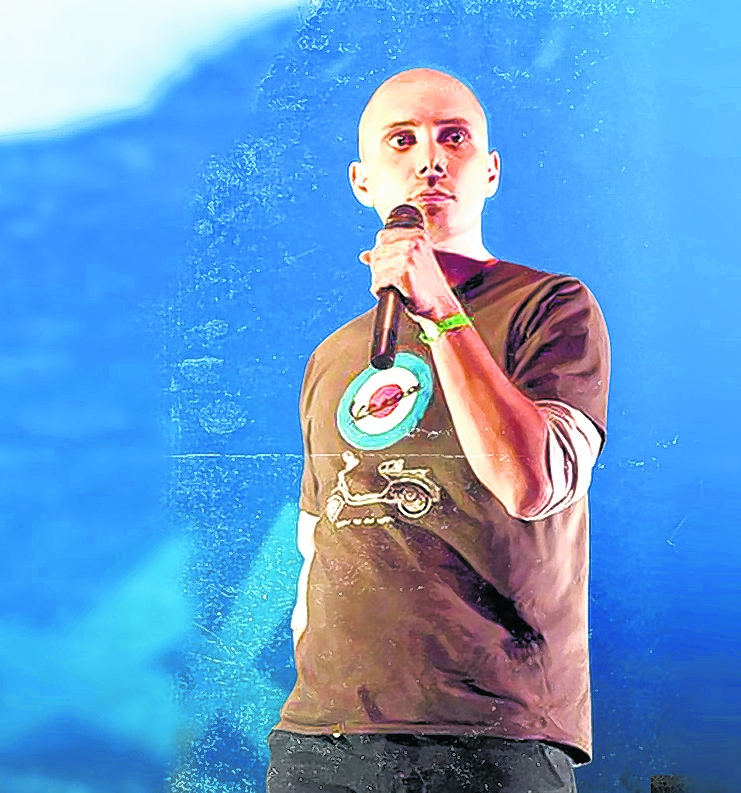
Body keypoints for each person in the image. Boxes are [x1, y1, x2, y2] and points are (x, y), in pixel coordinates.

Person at [266, 67, 611, 793]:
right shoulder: (332, 354)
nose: (430, 159)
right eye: (402, 140)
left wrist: (441, 312)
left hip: (489, 733)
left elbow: (533, 482)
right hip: (324, 740)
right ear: (362, 181)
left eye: (454, 138)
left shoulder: (550, 306)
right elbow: (318, 535)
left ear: (489, 171)